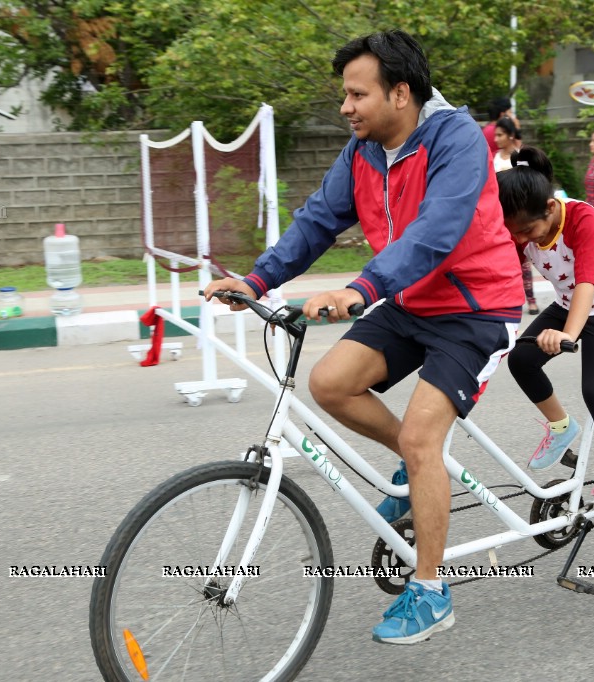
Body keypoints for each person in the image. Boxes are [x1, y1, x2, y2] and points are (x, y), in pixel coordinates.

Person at [204, 29, 525, 644]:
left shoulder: (455, 138)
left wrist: (360, 288)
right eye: (344, 95)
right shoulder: (364, 150)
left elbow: (438, 229)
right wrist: (256, 278)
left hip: (475, 308)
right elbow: (320, 219)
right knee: (330, 383)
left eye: (357, 94)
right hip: (407, 300)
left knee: (423, 436)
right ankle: (412, 471)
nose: (345, 107)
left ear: (400, 93)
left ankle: (431, 590)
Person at [500, 147, 594, 541]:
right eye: (513, 233)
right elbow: (506, 278)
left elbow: (586, 282)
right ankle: (561, 427)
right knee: (521, 360)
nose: (520, 239)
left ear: (550, 207)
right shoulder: (520, 224)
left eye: (526, 232)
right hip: (569, 305)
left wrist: (567, 334)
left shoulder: (583, 218)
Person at [494, 118, 539, 315]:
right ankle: (507, 299)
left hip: (520, 215)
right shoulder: (494, 157)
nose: (496, 139)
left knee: (523, 261)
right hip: (500, 216)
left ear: (511, 135)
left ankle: (531, 300)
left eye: (500, 135)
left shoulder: (521, 155)